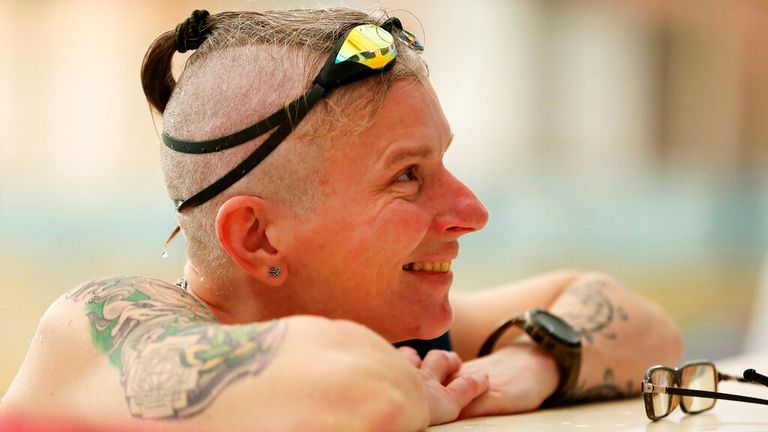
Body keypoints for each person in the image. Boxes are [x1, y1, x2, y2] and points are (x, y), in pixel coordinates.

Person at [0, 8, 682, 431]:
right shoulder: (98, 325)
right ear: (257, 237)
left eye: (443, 163)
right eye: (407, 176)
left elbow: (644, 326)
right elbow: (354, 394)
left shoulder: (364, 319)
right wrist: (420, 380)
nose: (470, 213)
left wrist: (525, 366)